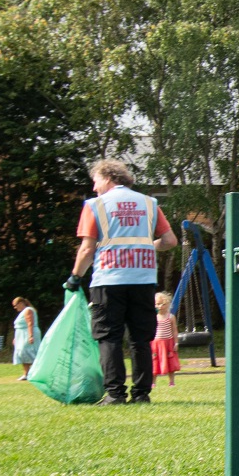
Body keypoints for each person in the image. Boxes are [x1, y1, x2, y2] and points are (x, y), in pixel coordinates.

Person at [69, 159, 178, 405]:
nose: (94, 188)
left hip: (108, 280)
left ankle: (115, 394)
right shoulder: (150, 203)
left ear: (108, 177)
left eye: (95, 181)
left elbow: (87, 249)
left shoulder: (94, 205)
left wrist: (75, 277)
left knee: (109, 337)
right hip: (143, 279)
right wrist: (148, 246)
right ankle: (141, 394)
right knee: (141, 338)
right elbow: (170, 241)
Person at [151, 291, 180, 385]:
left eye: (163, 304)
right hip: (156, 343)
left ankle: (171, 381)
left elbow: (174, 330)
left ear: (168, 305)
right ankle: (153, 382)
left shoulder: (171, 317)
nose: (160, 306)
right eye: (158, 304)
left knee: (170, 362)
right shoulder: (154, 317)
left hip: (168, 342)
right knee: (154, 362)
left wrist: (176, 343)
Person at [10, 297, 40, 380]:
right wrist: (16, 338)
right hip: (21, 334)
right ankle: (26, 374)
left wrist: (30, 336)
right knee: (23, 353)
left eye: (15, 305)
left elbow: (30, 323)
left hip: (28, 333)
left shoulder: (28, 310)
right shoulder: (23, 312)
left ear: (20, 303)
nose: (15, 308)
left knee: (29, 352)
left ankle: (37, 372)